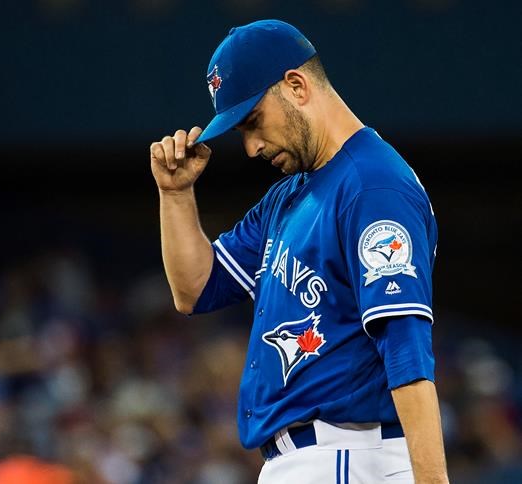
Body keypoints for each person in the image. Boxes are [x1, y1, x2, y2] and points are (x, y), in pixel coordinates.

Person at [149, 19, 449, 484]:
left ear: (296, 85)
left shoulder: (372, 186)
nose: (250, 147)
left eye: (252, 123)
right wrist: (175, 196)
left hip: (350, 456)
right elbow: (195, 289)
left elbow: (407, 350)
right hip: (304, 461)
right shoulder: (290, 196)